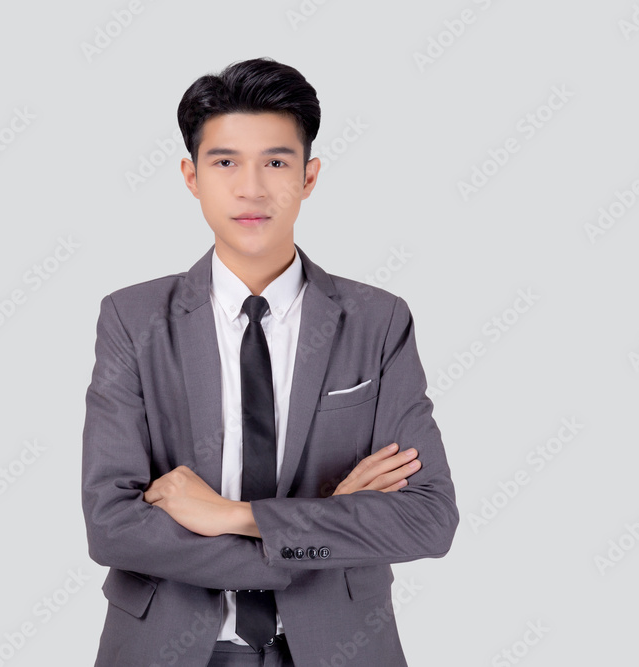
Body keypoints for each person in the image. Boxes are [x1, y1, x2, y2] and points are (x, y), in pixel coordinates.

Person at [82, 57, 459, 667]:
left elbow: (427, 520)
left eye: (276, 162)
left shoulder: (378, 321)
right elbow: (113, 526)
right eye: (225, 161)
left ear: (308, 177)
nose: (251, 187)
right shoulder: (132, 319)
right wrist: (321, 529)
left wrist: (232, 516)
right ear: (191, 175)